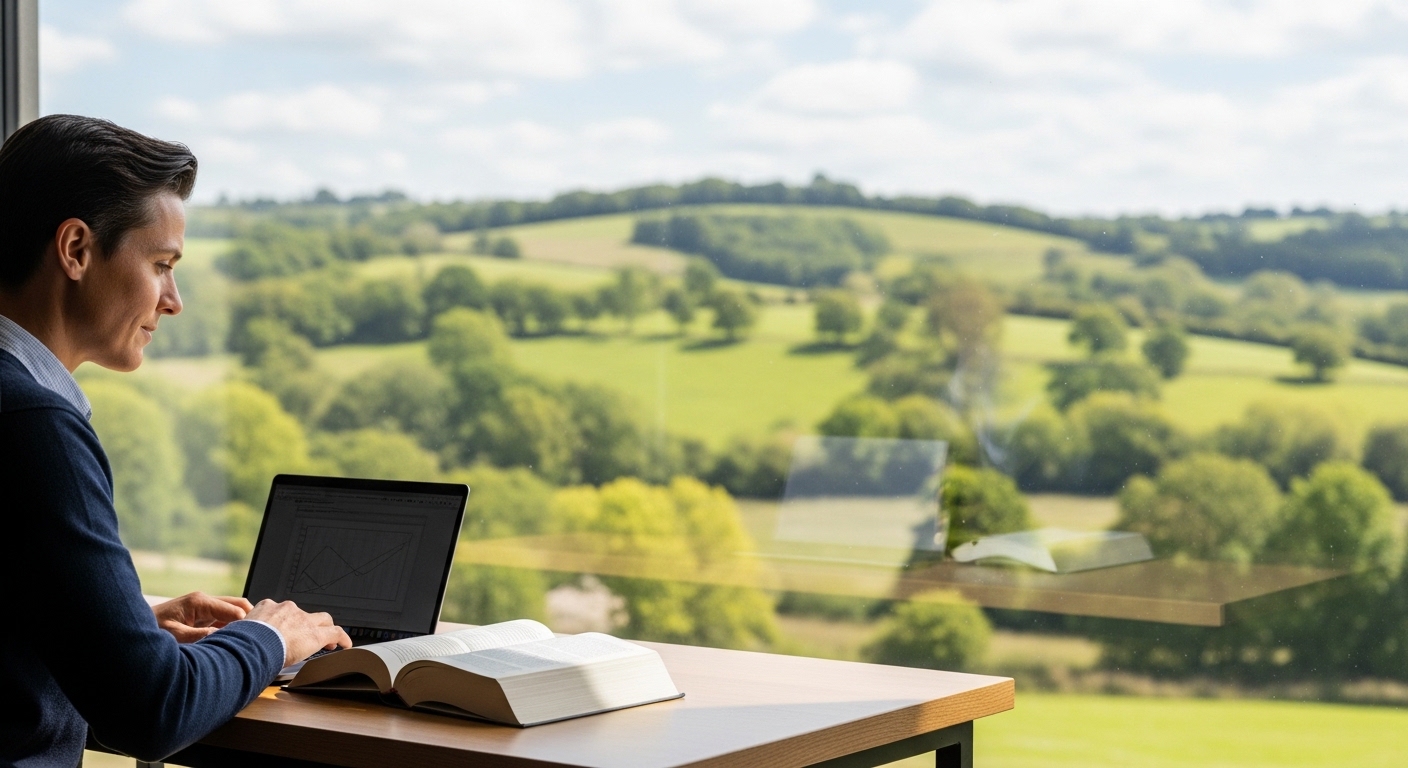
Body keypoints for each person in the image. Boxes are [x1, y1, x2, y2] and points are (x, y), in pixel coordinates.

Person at [0, 115, 351, 767]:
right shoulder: (31, 423)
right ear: (75, 249)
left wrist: (124, 631)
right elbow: (153, 710)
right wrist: (267, 638)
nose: (174, 300)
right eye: (161, 264)